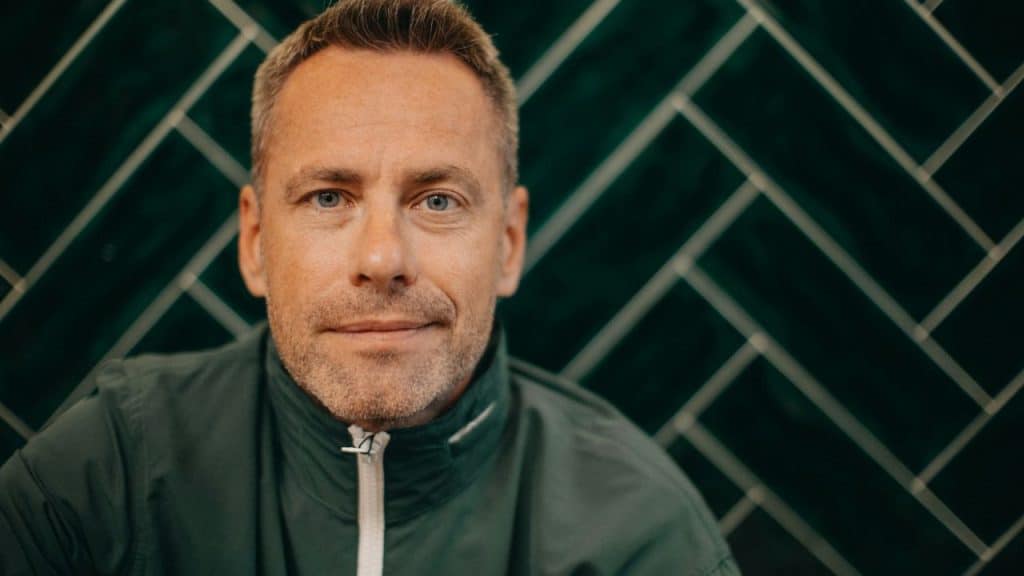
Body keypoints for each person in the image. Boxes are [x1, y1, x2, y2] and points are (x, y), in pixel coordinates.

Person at [0, 1, 738, 574]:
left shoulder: (641, 535)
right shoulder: (107, 479)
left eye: (437, 200)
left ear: (509, 244)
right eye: (328, 197)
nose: (383, 257)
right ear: (255, 242)